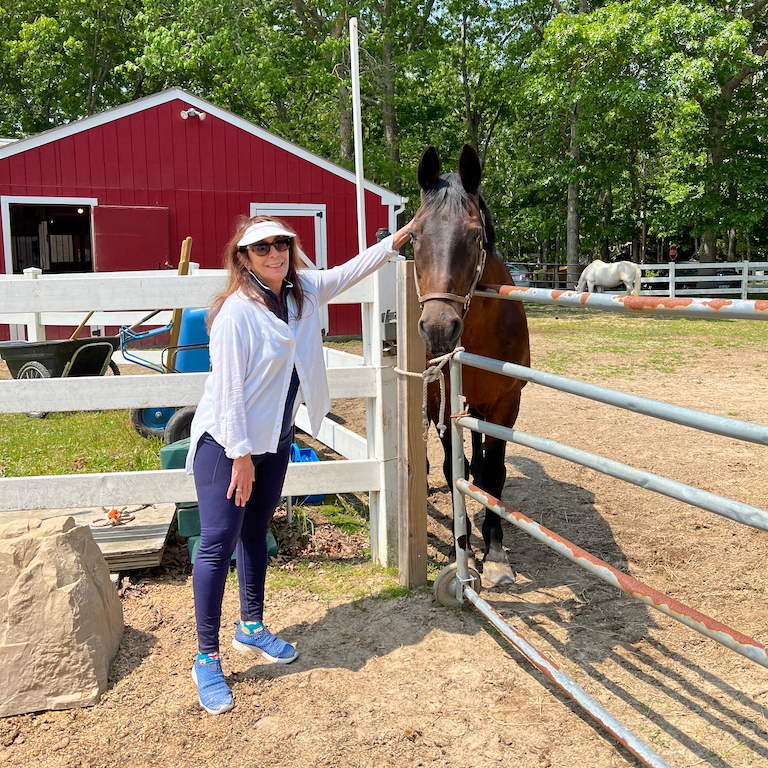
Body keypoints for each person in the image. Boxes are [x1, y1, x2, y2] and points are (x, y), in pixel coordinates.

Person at [185, 215, 411, 715]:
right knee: (217, 544)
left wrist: (400, 238)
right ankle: (206, 657)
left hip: (276, 440)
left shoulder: (300, 292)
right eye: (262, 247)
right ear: (243, 257)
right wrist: (240, 456)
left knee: (256, 531)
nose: (275, 253)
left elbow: (350, 271)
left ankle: (251, 626)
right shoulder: (235, 314)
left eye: (281, 244)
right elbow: (227, 394)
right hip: (227, 444)